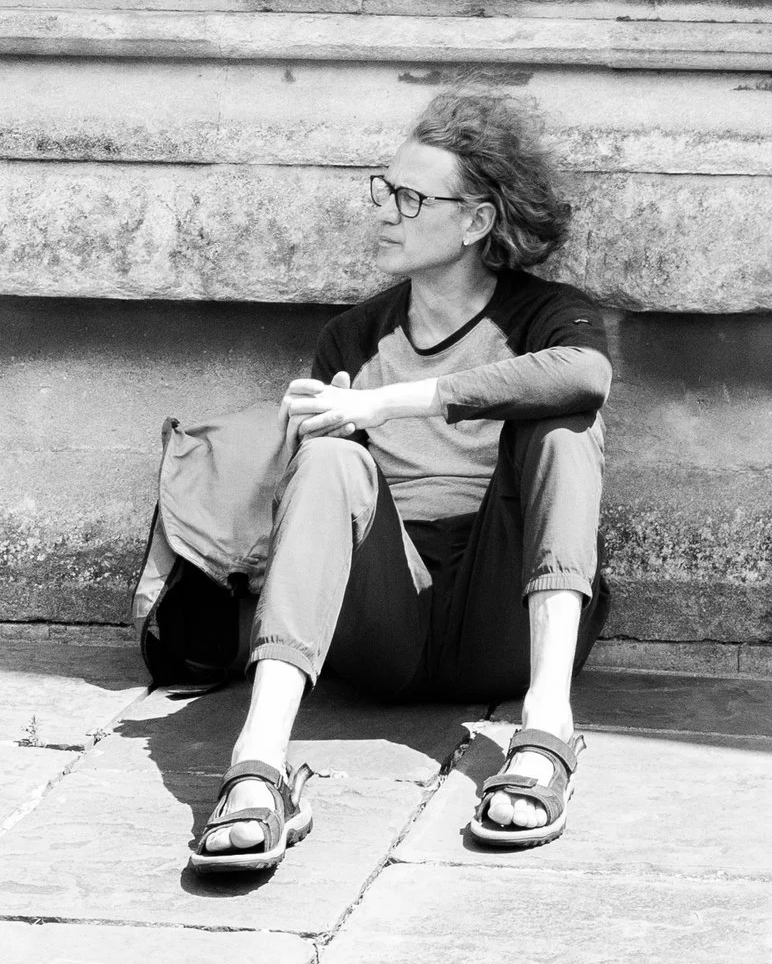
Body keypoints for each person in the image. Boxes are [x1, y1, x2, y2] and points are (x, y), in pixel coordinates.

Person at [190, 92, 612, 876]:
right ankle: (258, 764)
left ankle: (546, 732)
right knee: (328, 457)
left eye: (411, 198)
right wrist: (337, 427)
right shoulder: (352, 336)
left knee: (563, 426)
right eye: (383, 190)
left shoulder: (551, 317)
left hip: (501, 623)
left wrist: (389, 401)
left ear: (477, 221)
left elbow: (585, 377)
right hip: (382, 626)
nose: (385, 212)